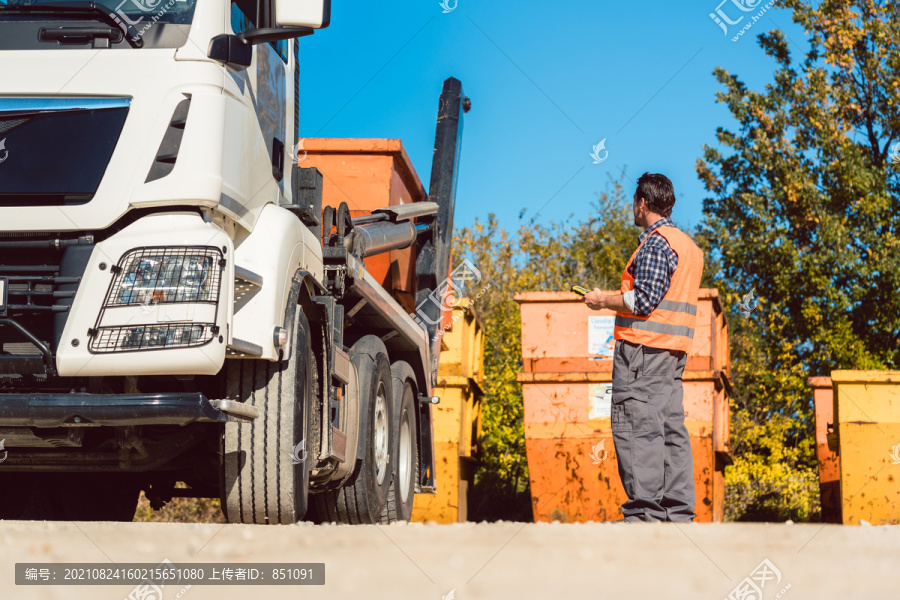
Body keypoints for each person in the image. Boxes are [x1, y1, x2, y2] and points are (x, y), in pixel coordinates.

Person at [583, 173, 704, 523]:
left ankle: (644, 518)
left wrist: (602, 299)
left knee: (637, 427)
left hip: (642, 353)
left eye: (633, 202)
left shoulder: (654, 244)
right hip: (671, 354)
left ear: (642, 203)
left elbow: (643, 301)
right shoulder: (689, 247)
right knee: (669, 430)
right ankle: (677, 516)